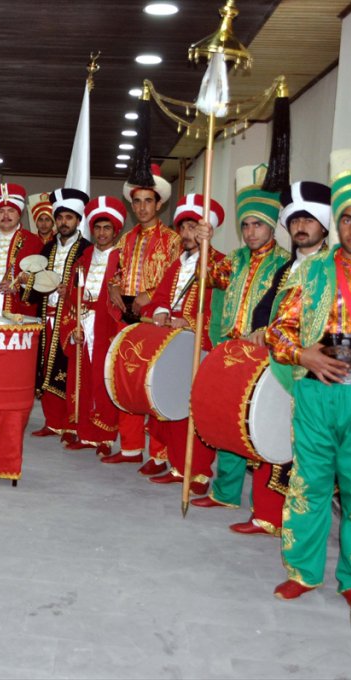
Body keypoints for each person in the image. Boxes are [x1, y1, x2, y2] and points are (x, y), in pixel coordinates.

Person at [267, 146, 351, 613]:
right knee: (308, 485)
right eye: (346, 218)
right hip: (314, 393)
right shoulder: (311, 271)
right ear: (336, 222)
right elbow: (277, 330)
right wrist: (302, 352)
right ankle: (302, 572)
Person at [221, 180, 332, 536]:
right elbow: (266, 306)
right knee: (269, 437)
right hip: (282, 367)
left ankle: (296, 529)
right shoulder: (288, 268)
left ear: (324, 224)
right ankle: (266, 515)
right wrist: (258, 328)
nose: (300, 227)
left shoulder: (333, 267)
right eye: (295, 221)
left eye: (309, 220)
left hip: (315, 373)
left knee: (307, 457)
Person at [191, 164, 290, 515]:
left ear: (272, 226)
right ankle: (225, 493)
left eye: (257, 225)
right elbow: (210, 276)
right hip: (231, 354)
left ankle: (265, 513)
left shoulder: (286, 264)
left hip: (265, 358)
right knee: (228, 425)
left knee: (263, 430)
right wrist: (206, 244)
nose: (250, 232)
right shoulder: (234, 260)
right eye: (245, 225)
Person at [139, 194, 225, 487]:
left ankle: (197, 471)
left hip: (199, 349)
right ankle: (170, 461)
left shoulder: (219, 264)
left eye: (193, 229)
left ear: (206, 231)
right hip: (171, 347)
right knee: (165, 403)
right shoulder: (177, 265)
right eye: (183, 229)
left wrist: (191, 323)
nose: (187, 235)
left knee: (193, 411)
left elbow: (222, 312)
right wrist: (161, 313)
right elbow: (161, 297)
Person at [108, 163, 180, 472]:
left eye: (148, 201)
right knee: (128, 381)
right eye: (136, 201)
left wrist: (149, 295)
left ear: (159, 204)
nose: (142, 207)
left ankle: (159, 454)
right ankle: (130, 447)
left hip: (156, 320)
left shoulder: (173, 240)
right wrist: (112, 286)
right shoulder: (125, 239)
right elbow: (119, 273)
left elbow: (176, 279)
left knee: (155, 384)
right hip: (126, 319)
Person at [59, 197, 128, 457]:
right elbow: (70, 298)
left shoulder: (122, 261)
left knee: (104, 380)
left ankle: (106, 436)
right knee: (82, 380)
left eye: (106, 228)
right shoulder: (83, 259)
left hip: (106, 330)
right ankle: (86, 433)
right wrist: (72, 326)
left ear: (115, 231)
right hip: (82, 328)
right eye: (97, 228)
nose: (101, 233)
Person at [26, 187, 90, 445]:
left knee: (69, 369)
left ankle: (71, 424)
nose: (64, 222)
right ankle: (52, 422)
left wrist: (72, 290)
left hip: (72, 319)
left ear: (78, 220)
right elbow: (35, 284)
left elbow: (91, 286)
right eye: (60, 217)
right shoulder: (47, 248)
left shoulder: (87, 250)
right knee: (46, 368)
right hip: (47, 317)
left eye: (69, 218)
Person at [0, 183, 43, 315]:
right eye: (1, 211)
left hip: (19, 314)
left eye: (11, 211)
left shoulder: (34, 243)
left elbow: (41, 282)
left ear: (19, 214)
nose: (5, 216)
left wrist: (18, 287)